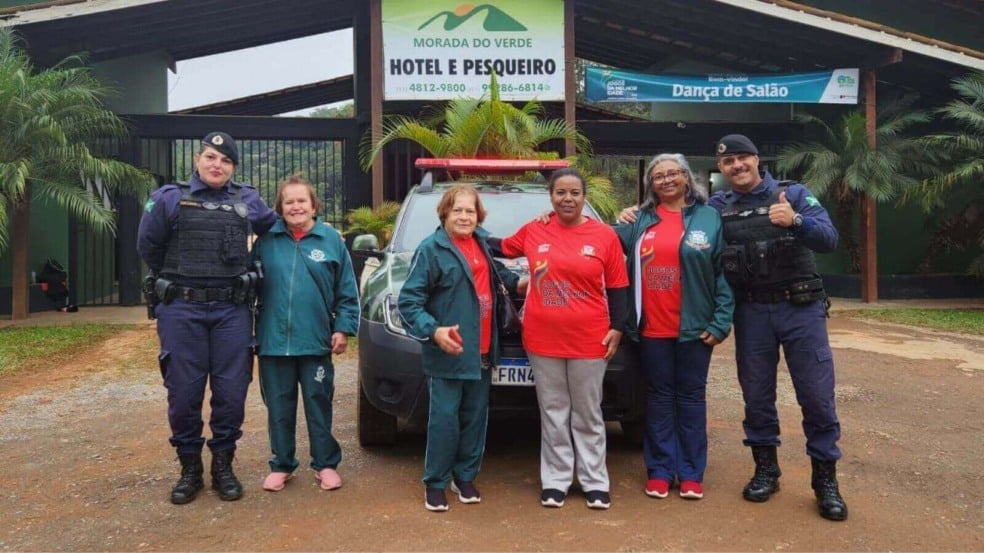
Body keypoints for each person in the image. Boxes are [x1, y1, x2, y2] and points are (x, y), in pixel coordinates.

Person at [618, 134, 847, 521]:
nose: (736, 166)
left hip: (800, 308)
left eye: (743, 158)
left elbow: (829, 239)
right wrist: (632, 214)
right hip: (752, 312)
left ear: (757, 159)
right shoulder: (717, 208)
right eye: (728, 162)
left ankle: (825, 481)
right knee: (757, 396)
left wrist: (797, 221)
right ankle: (766, 470)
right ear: (719, 169)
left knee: (816, 397)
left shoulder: (793, 194)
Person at [137, 132, 276, 505]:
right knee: (184, 392)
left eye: (226, 161)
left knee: (231, 391)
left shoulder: (248, 199)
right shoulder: (168, 198)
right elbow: (148, 246)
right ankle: (189, 470)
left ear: (233, 168)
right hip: (182, 309)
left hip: (232, 309)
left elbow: (275, 230)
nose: (218, 165)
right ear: (198, 160)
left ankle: (222, 467)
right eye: (211, 157)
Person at [493, 168, 629, 510]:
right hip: (542, 339)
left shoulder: (604, 236)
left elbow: (618, 286)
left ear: (584, 198)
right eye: (560, 193)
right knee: (553, 412)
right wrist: (456, 226)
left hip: (590, 338)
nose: (567, 198)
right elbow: (499, 247)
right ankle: (555, 482)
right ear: (551, 197)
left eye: (574, 193)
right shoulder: (535, 230)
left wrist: (619, 327)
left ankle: (594, 481)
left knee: (588, 413)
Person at [613, 154, 733, 501]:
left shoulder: (709, 218)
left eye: (673, 174)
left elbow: (724, 274)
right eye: (658, 175)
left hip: (696, 329)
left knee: (692, 399)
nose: (666, 180)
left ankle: (692, 473)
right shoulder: (639, 220)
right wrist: (550, 220)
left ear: (686, 177)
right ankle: (661, 471)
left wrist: (721, 320)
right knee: (659, 400)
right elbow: (594, 238)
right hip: (651, 330)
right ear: (651, 183)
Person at [397, 184, 520, 512]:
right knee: (444, 420)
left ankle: (464, 477)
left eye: (470, 211)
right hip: (449, 351)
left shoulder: (481, 243)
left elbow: (504, 278)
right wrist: (433, 331)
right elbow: (409, 302)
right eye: (458, 210)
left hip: (482, 350)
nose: (465, 216)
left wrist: (532, 279)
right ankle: (435, 482)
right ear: (445, 213)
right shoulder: (432, 249)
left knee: (475, 417)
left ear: (478, 217)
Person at [252, 175, 360, 493]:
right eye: (289, 202)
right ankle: (282, 464)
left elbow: (347, 291)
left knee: (318, 403)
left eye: (302, 200)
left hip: (315, 341)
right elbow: (246, 285)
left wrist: (343, 328)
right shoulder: (266, 241)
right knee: (279, 407)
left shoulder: (331, 241)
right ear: (280, 208)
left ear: (314, 205)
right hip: (273, 341)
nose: (296, 206)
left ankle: (325, 464)